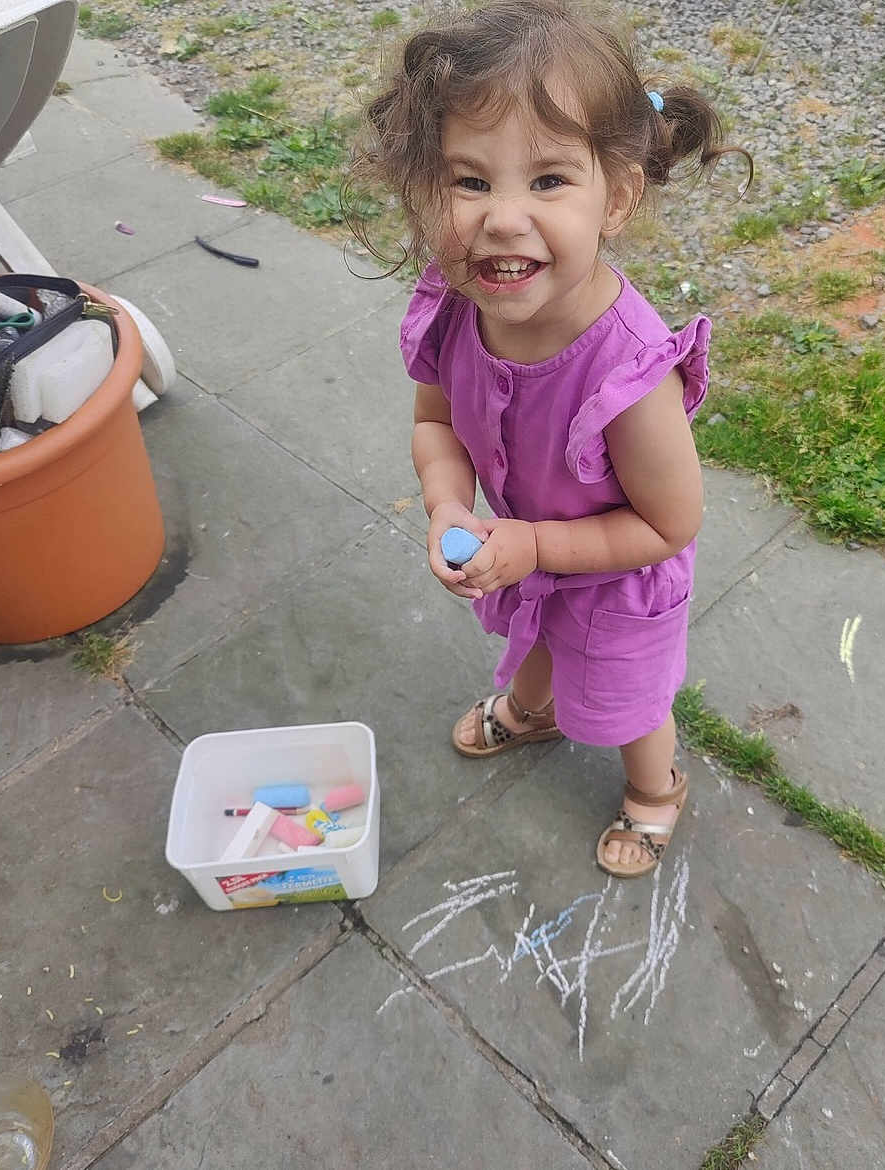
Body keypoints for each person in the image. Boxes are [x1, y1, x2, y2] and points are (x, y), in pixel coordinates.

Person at [353, 0, 749, 878]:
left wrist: (533, 544)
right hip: (528, 550)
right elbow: (435, 423)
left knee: (629, 703)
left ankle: (654, 790)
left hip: (618, 577)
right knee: (533, 639)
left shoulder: (631, 377)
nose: (502, 218)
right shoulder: (457, 310)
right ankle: (533, 712)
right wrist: (448, 504)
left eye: (547, 181)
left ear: (619, 197)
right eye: (469, 181)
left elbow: (669, 524)